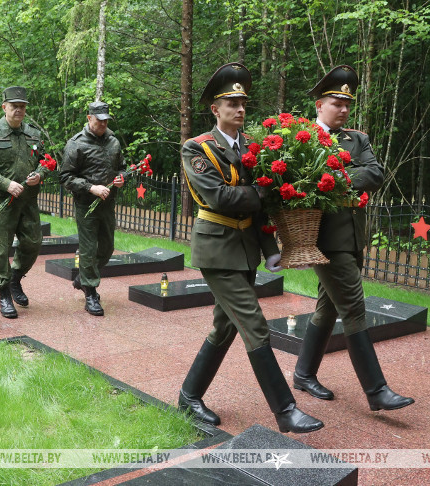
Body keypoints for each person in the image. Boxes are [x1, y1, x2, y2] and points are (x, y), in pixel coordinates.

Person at [177, 63, 323, 434]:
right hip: (216, 251)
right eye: (231, 103)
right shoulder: (197, 148)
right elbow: (219, 197)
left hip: (245, 250)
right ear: (215, 109)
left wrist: (269, 246)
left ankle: (188, 397)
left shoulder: (251, 149)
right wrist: (262, 192)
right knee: (254, 325)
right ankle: (286, 411)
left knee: (224, 328)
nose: (240, 109)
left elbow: (255, 211)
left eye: (243, 103)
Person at [293, 65, 414, 412]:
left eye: (347, 103)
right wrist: (346, 174)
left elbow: (375, 173)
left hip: (352, 235)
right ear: (319, 105)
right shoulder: (300, 139)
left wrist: (333, 174)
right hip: (322, 237)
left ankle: (303, 374)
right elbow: (302, 181)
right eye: (336, 103)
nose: (343, 110)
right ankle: (376, 391)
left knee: (328, 307)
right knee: (354, 307)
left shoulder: (356, 139)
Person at [0, 86, 51, 318]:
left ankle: (15, 278)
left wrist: (40, 175)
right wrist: (6, 184)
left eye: (22, 106)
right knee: (1, 249)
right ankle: (4, 292)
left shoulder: (33, 134)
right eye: (14, 106)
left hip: (27, 200)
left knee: (33, 243)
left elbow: (45, 161)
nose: (19, 110)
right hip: (1, 201)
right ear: (4, 107)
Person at [60, 101, 124, 316]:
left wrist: (121, 178)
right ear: (89, 118)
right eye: (99, 120)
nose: (103, 124)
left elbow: (121, 168)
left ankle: (83, 277)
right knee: (88, 249)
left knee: (106, 248)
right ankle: (90, 293)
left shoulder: (113, 141)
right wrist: (90, 188)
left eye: (106, 120)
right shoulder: (76, 144)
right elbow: (65, 177)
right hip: (86, 204)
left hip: (108, 204)